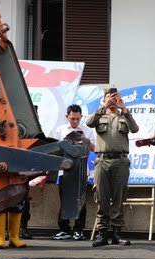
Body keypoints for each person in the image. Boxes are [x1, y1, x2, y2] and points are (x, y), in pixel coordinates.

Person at [86, 88, 139, 247]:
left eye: (116, 97)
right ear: (105, 99)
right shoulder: (100, 114)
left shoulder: (124, 115)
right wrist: (103, 107)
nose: (114, 99)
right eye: (111, 97)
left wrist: (124, 109)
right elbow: (89, 123)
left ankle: (116, 233)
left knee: (119, 197)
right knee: (101, 197)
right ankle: (102, 233)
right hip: (102, 160)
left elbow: (135, 129)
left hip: (121, 161)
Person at [51, 105, 96, 241]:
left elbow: (95, 148)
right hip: (64, 170)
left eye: (77, 119)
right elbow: (54, 150)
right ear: (66, 117)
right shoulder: (60, 130)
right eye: (72, 119)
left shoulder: (87, 130)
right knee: (64, 199)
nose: (75, 122)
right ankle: (64, 229)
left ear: (81, 117)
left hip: (81, 170)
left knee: (80, 201)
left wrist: (85, 140)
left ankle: (79, 229)